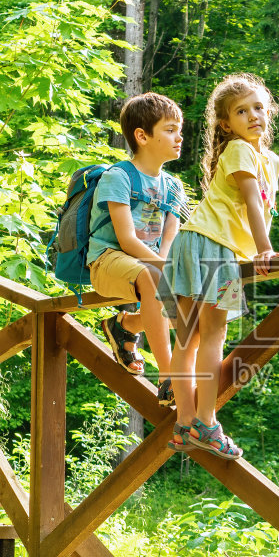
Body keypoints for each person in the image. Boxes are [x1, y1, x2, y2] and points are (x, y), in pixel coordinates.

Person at [158, 73, 279, 460]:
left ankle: (184, 425)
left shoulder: (268, 160)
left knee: (189, 339)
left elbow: (257, 206)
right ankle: (207, 424)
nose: (253, 116)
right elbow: (251, 203)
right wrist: (264, 250)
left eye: (259, 108)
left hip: (195, 244)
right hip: (215, 251)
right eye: (241, 111)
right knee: (212, 337)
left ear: (269, 112)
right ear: (226, 124)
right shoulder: (241, 151)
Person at [88, 92, 188, 397]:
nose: (179, 137)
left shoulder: (173, 186)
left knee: (192, 298)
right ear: (142, 136)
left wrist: (168, 269)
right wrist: (162, 269)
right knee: (156, 277)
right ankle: (170, 377)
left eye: (179, 130)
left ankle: (126, 325)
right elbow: (126, 239)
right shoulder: (118, 177)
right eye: (170, 130)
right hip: (107, 261)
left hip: (147, 267)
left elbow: (169, 237)